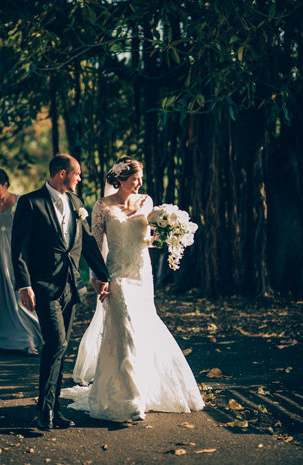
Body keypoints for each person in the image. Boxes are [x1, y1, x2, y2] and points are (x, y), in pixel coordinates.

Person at [59, 157, 204, 422]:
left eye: (140, 178)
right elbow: (94, 244)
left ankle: (143, 388)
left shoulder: (147, 202)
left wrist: (168, 233)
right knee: (123, 330)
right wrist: (96, 277)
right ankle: (129, 400)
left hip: (141, 273)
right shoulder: (102, 206)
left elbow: (148, 240)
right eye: (134, 178)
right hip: (116, 275)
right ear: (121, 180)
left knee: (141, 329)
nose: (139, 183)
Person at [12, 154, 111, 430]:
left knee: (61, 348)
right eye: (76, 174)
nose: (80, 178)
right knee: (55, 342)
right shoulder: (30, 202)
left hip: (70, 287)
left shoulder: (77, 203)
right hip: (43, 286)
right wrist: (24, 284)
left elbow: (88, 244)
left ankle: (54, 408)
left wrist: (104, 276)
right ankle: (44, 412)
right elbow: (18, 248)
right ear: (60, 173)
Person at [0, 169, 41, 355]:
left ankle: (29, 340)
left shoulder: (21, 202)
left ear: (6, 185)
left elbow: (32, 231)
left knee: (20, 298)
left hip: (16, 257)